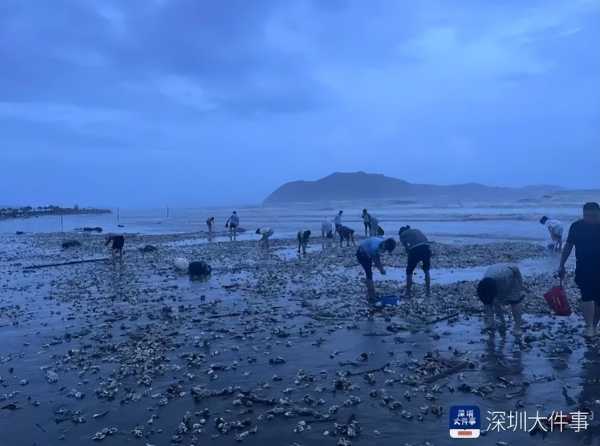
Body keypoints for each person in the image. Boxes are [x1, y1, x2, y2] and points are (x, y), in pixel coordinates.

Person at [558, 202, 600, 338]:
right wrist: (561, 264)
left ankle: (594, 324)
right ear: (583, 214)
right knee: (587, 295)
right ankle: (589, 326)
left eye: (593, 215)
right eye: (587, 215)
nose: (590, 218)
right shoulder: (576, 226)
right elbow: (568, 246)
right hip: (584, 266)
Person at [477, 264, 524, 336]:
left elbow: (515, 268)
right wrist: (490, 322)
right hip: (493, 276)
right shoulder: (483, 285)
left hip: (512, 273)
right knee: (490, 301)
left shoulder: (504, 278)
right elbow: (487, 302)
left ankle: (517, 327)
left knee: (515, 301)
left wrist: (520, 285)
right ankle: (498, 321)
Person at [356, 237, 397, 301]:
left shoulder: (382, 243)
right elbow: (376, 261)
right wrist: (381, 270)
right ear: (385, 244)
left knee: (369, 273)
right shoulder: (375, 246)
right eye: (385, 249)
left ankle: (372, 293)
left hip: (367, 252)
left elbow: (377, 257)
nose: (385, 250)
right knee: (369, 273)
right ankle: (371, 296)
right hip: (361, 254)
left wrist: (381, 268)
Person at [399, 225, 431, 297]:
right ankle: (428, 292)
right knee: (426, 270)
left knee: (409, 271)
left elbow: (406, 247)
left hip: (415, 249)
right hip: (426, 247)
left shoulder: (402, 234)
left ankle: (408, 292)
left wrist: (409, 252)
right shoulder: (416, 230)